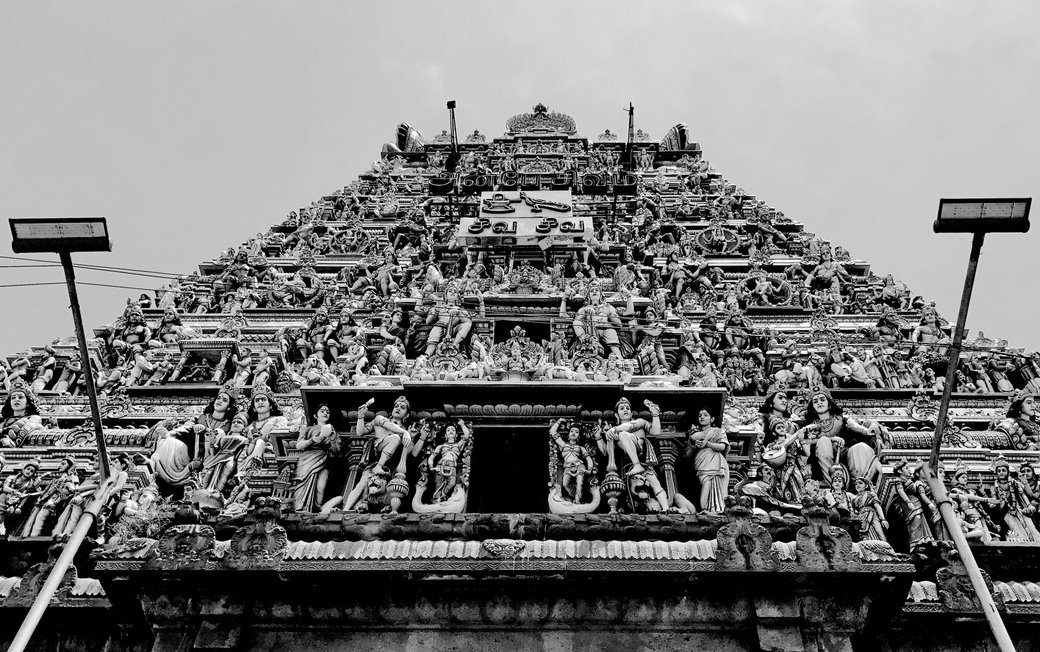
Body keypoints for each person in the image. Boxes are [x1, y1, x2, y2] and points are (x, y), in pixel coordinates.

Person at [292, 404, 340, 512]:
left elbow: (336, 451)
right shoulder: (307, 429)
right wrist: (313, 440)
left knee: (320, 487)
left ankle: (315, 509)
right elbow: (298, 445)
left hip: (323, 460)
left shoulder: (332, 430)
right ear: (315, 415)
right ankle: (300, 508)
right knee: (302, 484)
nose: (325, 413)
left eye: (327, 411)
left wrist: (332, 439)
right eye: (322, 411)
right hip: (307, 460)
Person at [684, 409, 729, 512]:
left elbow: (722, 446)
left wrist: (708, 444)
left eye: (705, 415)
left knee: (711, 483)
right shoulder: (694, 434)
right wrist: (694, 446)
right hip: (701, 461)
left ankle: (716, 508)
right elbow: (687, 454)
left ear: (712, 419)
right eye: (700, 415)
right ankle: (705, 508)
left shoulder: (718, 431)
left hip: (714, 459)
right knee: (705, 482)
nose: (702, 417)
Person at [0, 381, 44, 448]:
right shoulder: (4, 422)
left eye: (20, 397)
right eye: (13, 398)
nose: (16, 400)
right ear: (10, 403)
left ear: (28, 402)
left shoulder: (33, 418)